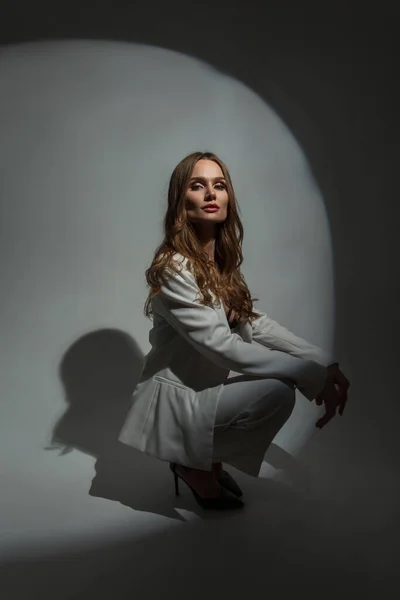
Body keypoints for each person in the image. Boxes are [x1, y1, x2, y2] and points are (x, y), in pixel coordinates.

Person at [118, 151, 350, 510]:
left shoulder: (219, 266)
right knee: (276, 393)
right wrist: (311, 376)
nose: (211, 194)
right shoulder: (173, 269)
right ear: (181, 200)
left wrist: (323, 361)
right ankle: (190, 461)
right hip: (173, 403)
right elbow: (222, 347)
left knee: (276, 390)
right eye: (198, 186)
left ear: (228, 198)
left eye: (220, 186)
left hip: (201, 396)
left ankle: (204, 458)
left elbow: (255, 323)